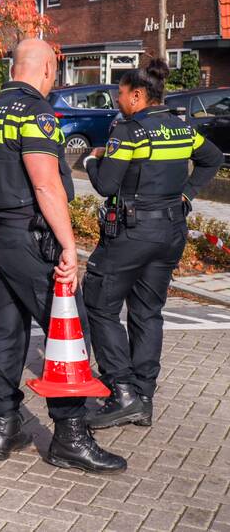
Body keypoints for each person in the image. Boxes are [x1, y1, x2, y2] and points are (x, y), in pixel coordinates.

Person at [0, 38, 125, 473]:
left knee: (8, 327)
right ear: (49, 71)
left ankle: (3, 425)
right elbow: (45, 184)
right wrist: (70, 247)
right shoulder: (35, 113)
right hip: (29, 235)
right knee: (69, 330)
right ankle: (71, 436)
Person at [83, 58, 221, 429]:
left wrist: (91, 160)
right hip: (170, 233)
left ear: (139, 95)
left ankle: (123, 392)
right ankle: (143, 396)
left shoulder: (128, 132)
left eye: (121, 94)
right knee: (147, 312)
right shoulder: (181, 128)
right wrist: (188, 195)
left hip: (131, 233)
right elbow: (211, 158)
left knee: (100, 306)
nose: (118, 100)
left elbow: (107, 185)